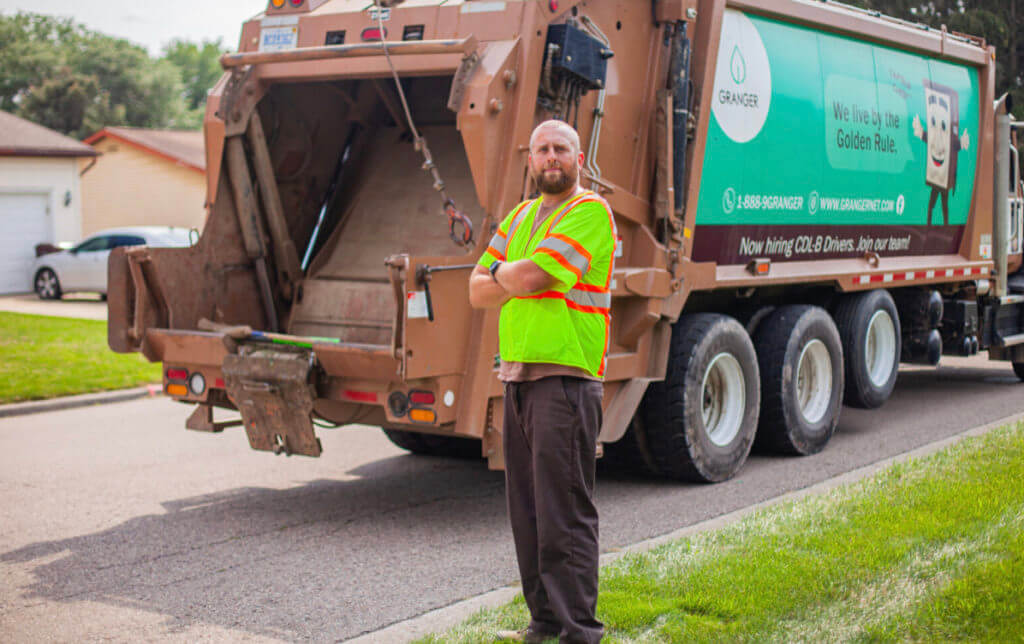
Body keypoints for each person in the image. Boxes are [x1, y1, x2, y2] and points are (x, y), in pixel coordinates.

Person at [469, 120, 616, 644]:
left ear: (579, 159)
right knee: (527, 515)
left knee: (565, 514)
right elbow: (474, 289)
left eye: (560, 149)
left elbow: (529, 278)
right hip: (518, 380)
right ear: (529, 159)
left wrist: (507, 272)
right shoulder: (522, 215)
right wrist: (515, 272)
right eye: (542, 149)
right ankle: (544, 623)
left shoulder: (591, 213)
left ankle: (581, 632)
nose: (550, 157)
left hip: (567, 382)